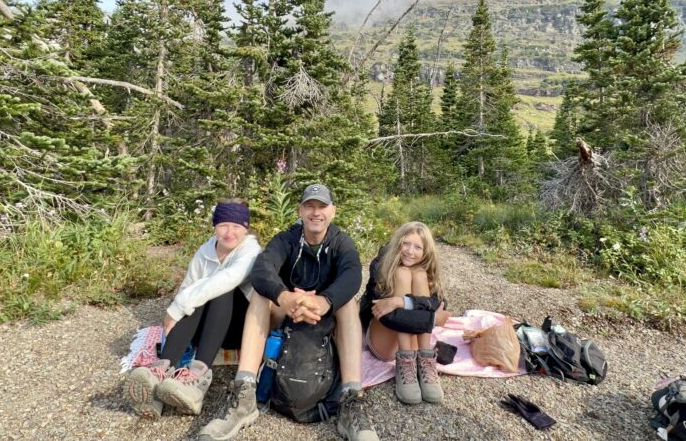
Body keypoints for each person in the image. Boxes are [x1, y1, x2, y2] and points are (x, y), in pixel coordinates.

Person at [199, 184, 379, 441]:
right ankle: (244, 395)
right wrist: (286, 297)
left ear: (333, 211)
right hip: (287, 315)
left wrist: (324, 302)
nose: (316, 213)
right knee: (262, 297)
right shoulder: (287, 239)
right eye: (310, 206)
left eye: (322, 207)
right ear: (300, 210)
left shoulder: (341, 242)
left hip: (324, 317)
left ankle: (351, 398)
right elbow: (262, 269)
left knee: (348, 302)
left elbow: (352, 275)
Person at [123, 199, 262, 418]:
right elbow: (188, 288)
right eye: (223, 225)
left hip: (237, 329)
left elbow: (228, 279)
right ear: (214, 226)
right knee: (194, 295)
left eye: (236, 226)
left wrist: (175, 309)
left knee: (219, 290)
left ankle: (197, 378)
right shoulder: (206, 250)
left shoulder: (251, 251)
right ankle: (160, 372)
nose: (229, 232)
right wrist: (176, 314)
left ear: (245, 228)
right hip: (205, 330)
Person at [359, 221, 452, 405]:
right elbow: (388, 317)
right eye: (406, 244)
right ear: (397, 243)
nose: (410, 251)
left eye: (418, 247)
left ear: (426, 252)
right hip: (384, 337)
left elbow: (437, 304)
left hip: (416, 342)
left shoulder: (425, 269)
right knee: (402, 273)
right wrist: (432, 319)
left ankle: (425, 359)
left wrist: (401, 301)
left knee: (419, 275)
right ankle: (405, 362)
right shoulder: (381, 264)